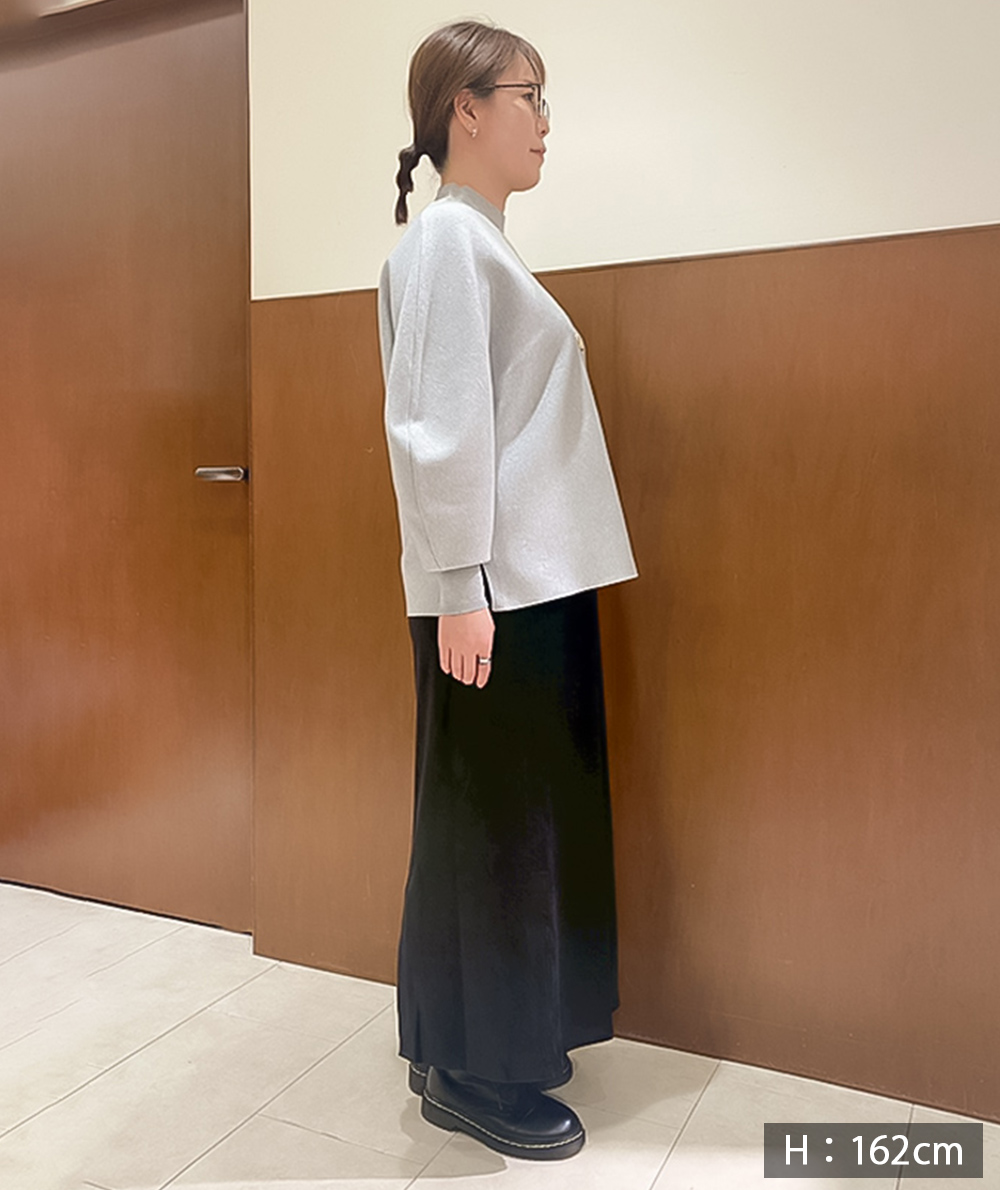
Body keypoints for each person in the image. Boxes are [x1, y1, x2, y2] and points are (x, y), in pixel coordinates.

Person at [376, 18, 638, 1162]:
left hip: (518, 580)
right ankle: (474, 1067)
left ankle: (469, 1039)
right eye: (527, 96)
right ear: (465, 110)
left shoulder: (473, 243)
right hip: (495, 589)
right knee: (490, 823)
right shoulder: (448, 242)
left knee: (494, 815)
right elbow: (434, 429)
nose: (543, 122)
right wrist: (458, 587)